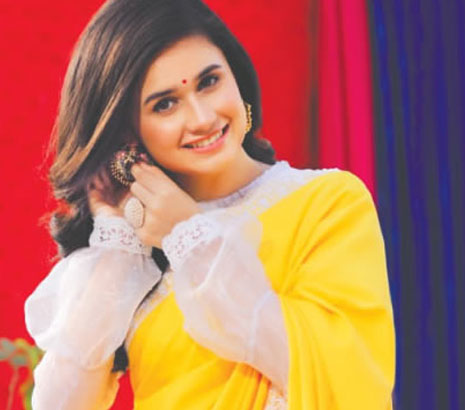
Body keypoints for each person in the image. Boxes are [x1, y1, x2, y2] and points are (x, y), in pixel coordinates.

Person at [24, 0, 395, 408]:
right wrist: (116, 240)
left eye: (209, 82)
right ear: (127, 132)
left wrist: (189, 235)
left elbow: (345, 380)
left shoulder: (327, 203)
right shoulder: (134, 251)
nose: (202, 117)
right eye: (165, 104)